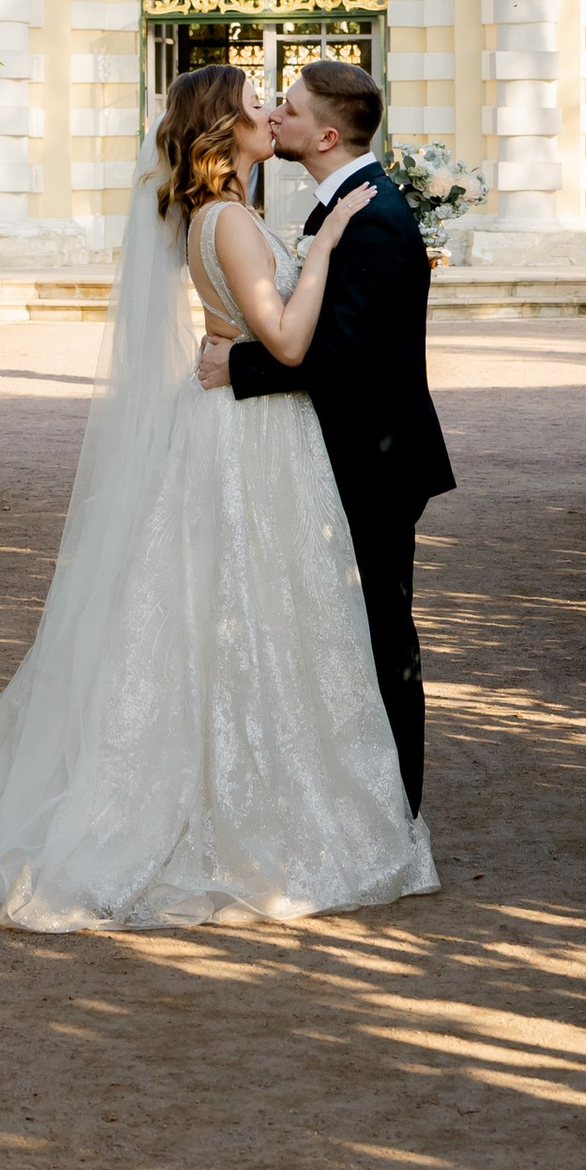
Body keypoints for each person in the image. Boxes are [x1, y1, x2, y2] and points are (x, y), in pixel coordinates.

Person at [0, 67, 437, 932]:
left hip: (262, 433)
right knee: (252, 613)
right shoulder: (232, 219)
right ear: (223, 131)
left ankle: (329, 792)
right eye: (256, 106)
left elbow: (301, 342)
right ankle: (282, 806)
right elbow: (290, 335)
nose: (271, 114)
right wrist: (312, 260)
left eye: (286, 107)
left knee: (255, 617)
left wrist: (260, 321)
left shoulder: (243, 216)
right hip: (250, 442)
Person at [198, 60, 454, 812]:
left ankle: (398, 804)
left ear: (328, 134)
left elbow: (345, 353)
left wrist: (236, 365)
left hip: (376, 458)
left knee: (380, 627)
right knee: (338, 620)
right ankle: (355, 789)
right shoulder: (340, 204)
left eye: (291, 108)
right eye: (272, 105)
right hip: (346, 449)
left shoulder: (370, 218)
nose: (276, 116)